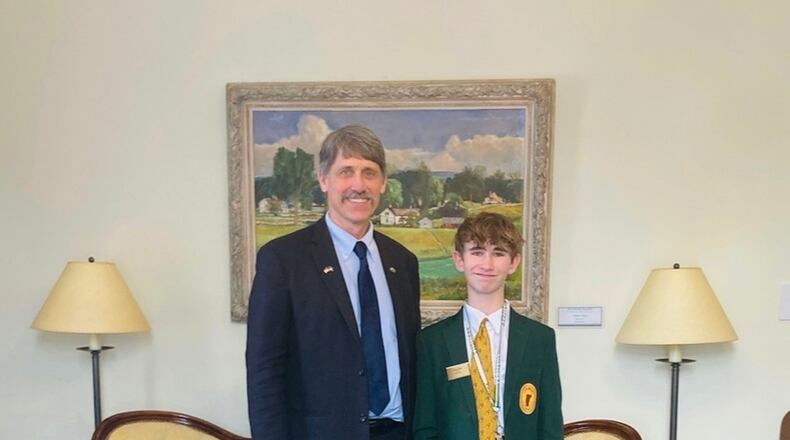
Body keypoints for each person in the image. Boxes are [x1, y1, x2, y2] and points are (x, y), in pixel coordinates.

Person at [246, 124, 421, 440]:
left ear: (382, 183)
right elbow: (264, 372)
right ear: (323, 179)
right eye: (346, 171)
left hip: (397, 432)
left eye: (369, 172)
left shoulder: (403, 262)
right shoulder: (283, 259)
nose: (359, 185)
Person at [413, 212, 563, 440]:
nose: (487, 263)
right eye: (477, 252)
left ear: (514, 263)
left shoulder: (539, 338)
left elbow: (550, 425)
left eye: (499, 253)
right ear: (459, 260)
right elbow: (425, 426)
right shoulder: (432, 341)